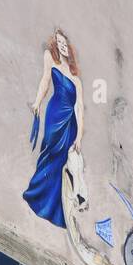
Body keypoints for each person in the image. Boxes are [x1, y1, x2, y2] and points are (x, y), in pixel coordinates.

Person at [23, 27, 83, 228]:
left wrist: (79, 137)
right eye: (59, 43)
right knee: (49, 150)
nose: (63, 46)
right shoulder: (51, 59)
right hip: (55, 113)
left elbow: (80, 107)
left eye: (65, 43)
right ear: (55, 46)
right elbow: (45, 80)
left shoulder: (76, 79)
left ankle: (57, 210)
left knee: (62, 163)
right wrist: (37, 102)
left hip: (70, 123)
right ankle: (38, 195)